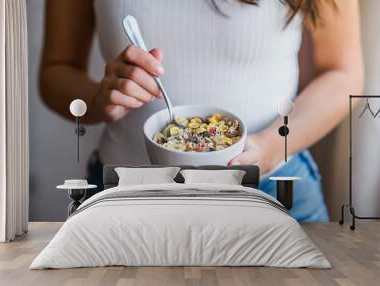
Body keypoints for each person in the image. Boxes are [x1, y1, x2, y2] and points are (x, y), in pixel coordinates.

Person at [40, 0, 363, 222]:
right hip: (126, 191)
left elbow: (342, 71)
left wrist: (271, 146)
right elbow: (57, 71)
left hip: (272, 186)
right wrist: (98, 101)